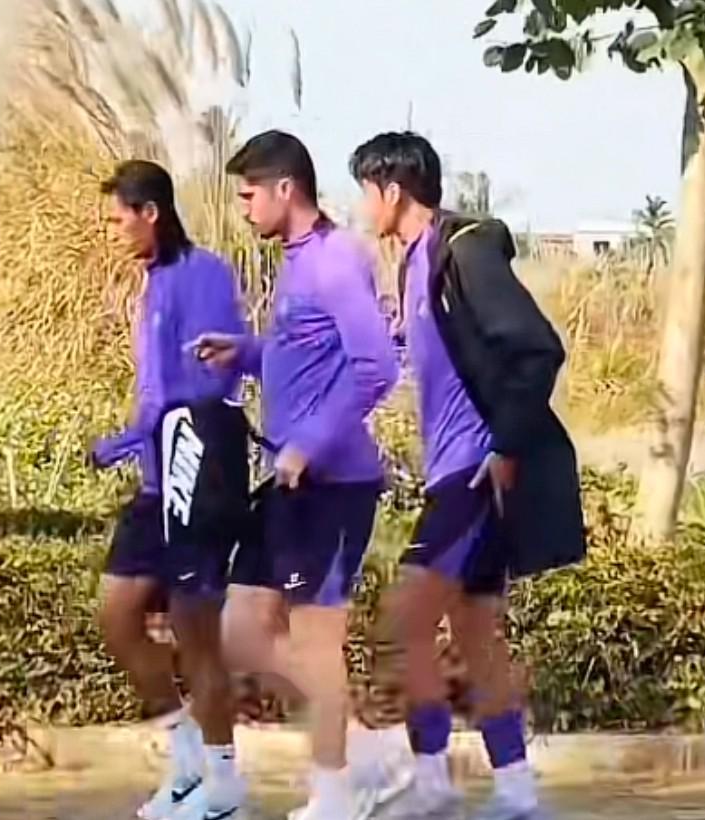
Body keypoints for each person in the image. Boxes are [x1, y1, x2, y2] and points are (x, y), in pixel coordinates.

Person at [347, 132, 585, 820]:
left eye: (365, 192)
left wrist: (503, 445)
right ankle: (516, 793)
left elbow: (538, 349)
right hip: (451, 472)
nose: (362, 207)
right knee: (476, 635)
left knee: (403, 621)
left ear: (392, 191)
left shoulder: (464, 252)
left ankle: (430, 778)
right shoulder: (415, 265)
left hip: (476, 473)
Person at [194, 130, 400, 820]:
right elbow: (306, 354)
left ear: (286, 189)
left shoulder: (335, 261)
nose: (243, 207)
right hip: (289, 484)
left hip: (333, 487)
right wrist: (247, 352)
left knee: (315, 642)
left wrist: (309, 443)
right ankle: (365, 748)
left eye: (249, 194)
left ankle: (336, 794)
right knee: (239, 633)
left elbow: (377, 367)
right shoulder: (298, 260)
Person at [91, 159, 249, 820]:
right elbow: (158, 391)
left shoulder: (203, 274)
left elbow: (214, 380)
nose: (113, 231)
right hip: (157, 483)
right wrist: (130, 440)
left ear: (149, 212)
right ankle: (186, 763)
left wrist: (145, 431)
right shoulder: (152, 283)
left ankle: (224, 785)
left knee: (195, 628)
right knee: (117, 614)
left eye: (118, 219)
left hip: (198, 476)